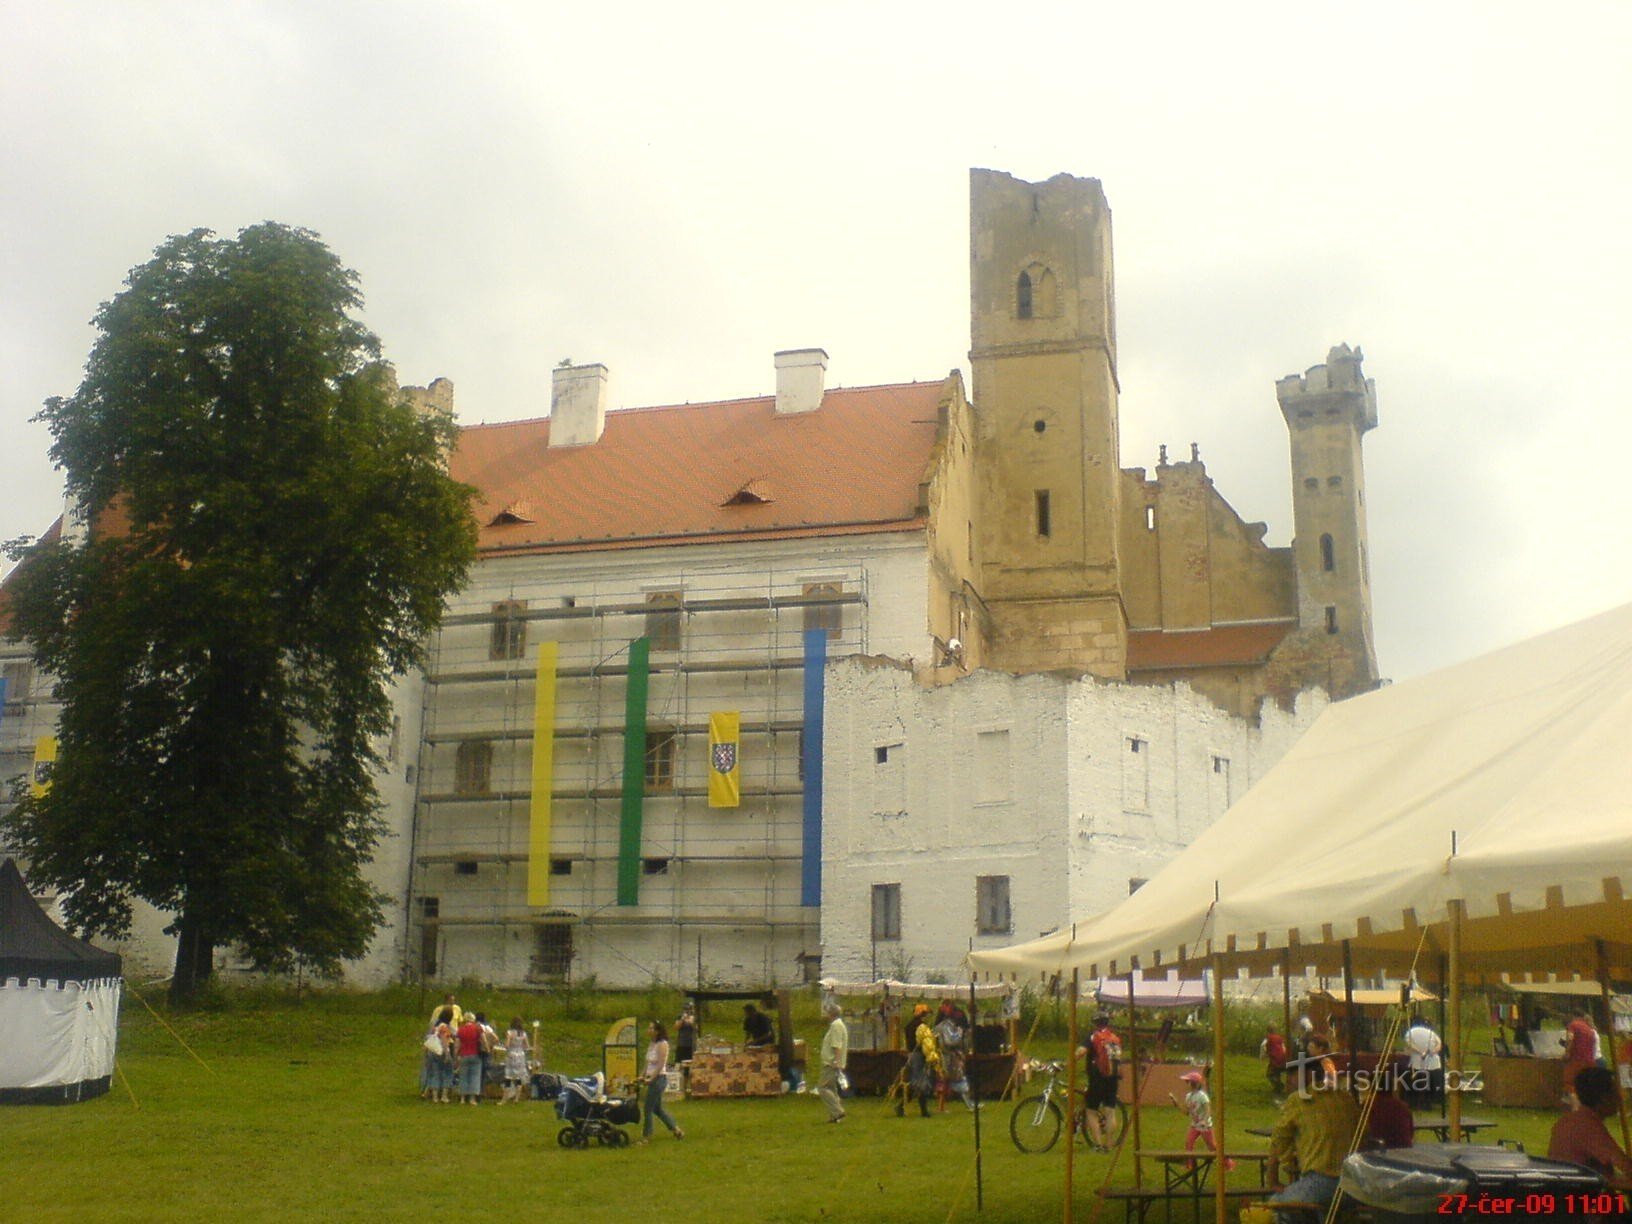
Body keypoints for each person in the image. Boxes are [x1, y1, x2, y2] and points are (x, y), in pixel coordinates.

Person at [1267, 1055, 1362, 1223]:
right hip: (1355, 1183)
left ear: (1309, 1074)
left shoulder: (1299, 1100)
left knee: (1275, 1204)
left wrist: (1287, 1165)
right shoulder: (1346, 1098)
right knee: (1316, 1211)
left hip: (1321, 1181)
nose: (1288, 1080)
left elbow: (1279, 1138)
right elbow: (1364, 1135)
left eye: (1293, 1075)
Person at [1548, 1066, 1632, 1190]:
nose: (1621, 1098)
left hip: (1566, 1192)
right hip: (1583, 1200)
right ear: (1604, 1097)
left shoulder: (1569, 1120)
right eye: (1616, 1093)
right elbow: (1625, 1165)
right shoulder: (1588, 1126)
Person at [1170, 1068, 1234, 1171]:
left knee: (1212, 1147)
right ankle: (1189, 1164)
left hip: (1205, 1126)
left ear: (1194, 1083)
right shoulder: (1189, 1096)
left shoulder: (1202, 1096)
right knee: (1189, 1142)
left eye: (1189, 1081)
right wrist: (1176, 1104)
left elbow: (1208, 1109)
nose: (1187, 1083)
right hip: (1194, 1126)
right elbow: (1187, 1112)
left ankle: (1227, 1162)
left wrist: (1205, 1120)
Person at [1076, 1013, 1123, 1151]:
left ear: (1095, 1023)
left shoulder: (1093, 1036)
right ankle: (1109, 1144)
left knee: (1091, 1111)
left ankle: (1098, 1145)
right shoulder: (1114, 1038)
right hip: (1112, 1078)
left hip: (1097, 1078)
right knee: (1110, 1112)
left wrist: (1069, 1062)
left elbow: (1080, 1052)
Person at [638, 1020, 684, 1143]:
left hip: (659, 1079)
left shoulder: (662, 1044)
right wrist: (642, 1076)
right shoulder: (652, 1044)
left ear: (657, 1031)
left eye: (652, 1028)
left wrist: (651, 1078)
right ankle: (676, 1130)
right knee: (657, 1109)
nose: (649, 1030)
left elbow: (660, 1064)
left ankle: (646, 1137)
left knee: (648, 1108)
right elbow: (647, 1063)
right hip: (651, 1078)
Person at [934, 1001, 974, 1111]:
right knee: (958, 1079)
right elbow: (950, 1041)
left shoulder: (941, 1026)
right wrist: (960, 1033)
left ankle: (942, 1107)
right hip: (948, 1056)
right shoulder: (945, 1026)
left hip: (947, 1055)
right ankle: (969, 1105)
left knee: (949, 1080)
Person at [1365, 1066, 1415, 1151]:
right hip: (1405, 1152)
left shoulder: (1369, 1106)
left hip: (1379, 1153)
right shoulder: (1403, 1106)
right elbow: (1411, 1133)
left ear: (1371, 1088)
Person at [816, 999, 848, 1123]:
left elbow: (836, 1045)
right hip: (833, 1062)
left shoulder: (836, 1026)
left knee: (822, 1088)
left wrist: (836, 1061)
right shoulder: (838, 1025)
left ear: (831, 1014)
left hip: (831, 1063)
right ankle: (834, 1116)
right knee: (832, 1089)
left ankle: (838, 1111)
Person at [1403, 1015, 1443, 1109]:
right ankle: (1428, 1103)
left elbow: (1409, 1044)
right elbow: (1439, 1044)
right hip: (1433, 1063)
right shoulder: (1431, 1033)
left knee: (1414, 1084)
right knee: (1429, 1084)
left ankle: (1413, 1102)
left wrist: (1420, 1052)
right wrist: (1432, 1051)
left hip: (1416, 1062)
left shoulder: (1409, 1032)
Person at [1565, 1010, 1601, 1100]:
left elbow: (1570, 1038)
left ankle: (1575, 1108)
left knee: (1570, 1084)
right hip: (1590, 1060)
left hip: (1577, 1059)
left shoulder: (1573, 1025)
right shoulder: (1590, 1029)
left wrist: (1567, 1052)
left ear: (1573, 1016)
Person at [499, 1016, 530, 1105]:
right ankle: (516, 1098)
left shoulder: (510, 1033)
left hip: (511, 1055)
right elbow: (527, 1046)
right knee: (518, 1077)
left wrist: (506, 1045)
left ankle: (504, 1099)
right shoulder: (523, 1034)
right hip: (520, 1055)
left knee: (508, 1077)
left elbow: (507, 1045)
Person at [455, 1012, 484, 1104]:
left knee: (463, 1076)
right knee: (475, 1076)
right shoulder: (477, 1028)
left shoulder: (460, 1029)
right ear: (473, 1019)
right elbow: (483, 1039)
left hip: (464, 1054)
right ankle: (472, 1098)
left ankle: (463, 1098)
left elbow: (457, 1044)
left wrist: (456, 1055)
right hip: (475, 1054)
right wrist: (487, 1048)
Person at [675, 1002, 698, 1093]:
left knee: (689, 1067)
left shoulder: (694, 1017)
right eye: (686, 1009)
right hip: (681, 1044)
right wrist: (683, 1019)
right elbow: (676, 1027)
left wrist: (691, 1021)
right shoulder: (680, 1017)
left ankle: (688, 1086)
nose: (688, 1011)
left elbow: (696, 1028)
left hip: (691, 1045)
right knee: (678, 1064)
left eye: (689, 1009)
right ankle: (679, 1086)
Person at [1262, 1025, 1289, 1096]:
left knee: (1270, 1074)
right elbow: (1284, 1048)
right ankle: (1278, 1088)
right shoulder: (1279, 1037)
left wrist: (1266, 1055)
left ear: (1268, 1031)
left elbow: (1265, 1048)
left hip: (1275, 1060)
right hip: (1283, 1059)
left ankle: (1279, 1087)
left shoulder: (1269, 1038)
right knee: (1276, 1073)